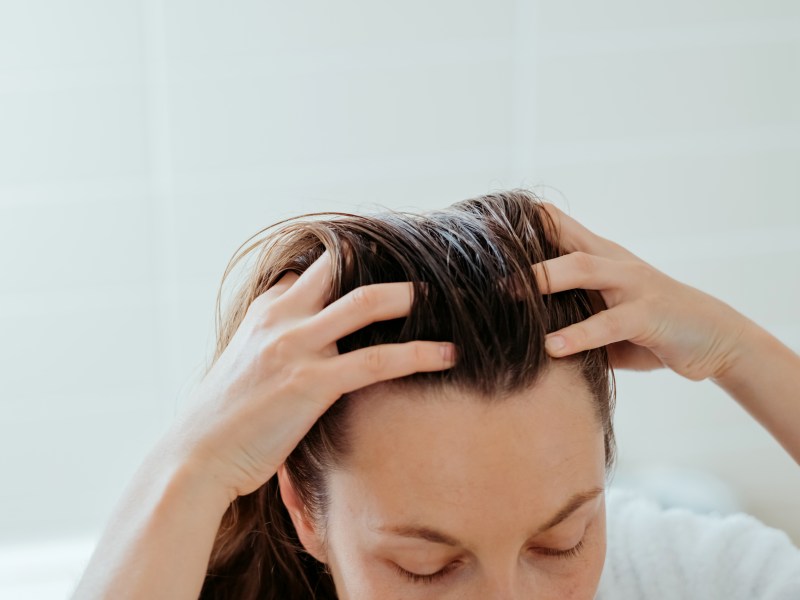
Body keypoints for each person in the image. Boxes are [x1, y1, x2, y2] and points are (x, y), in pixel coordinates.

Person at [72, 190, 800, 599]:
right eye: (428, 567)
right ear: (306, 513)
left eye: (560, 542)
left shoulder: (661, 572)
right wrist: (192, 466)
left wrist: (745, 354)